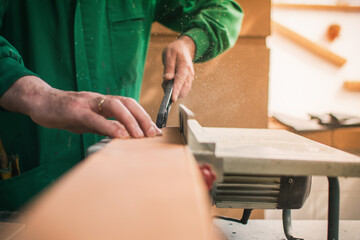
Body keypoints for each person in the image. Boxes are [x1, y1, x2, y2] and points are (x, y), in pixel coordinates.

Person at [0, 1, 243, 210]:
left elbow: (224, 9)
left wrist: (189, 44)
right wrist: (37, 95)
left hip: (121, 188)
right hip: (29, 190)